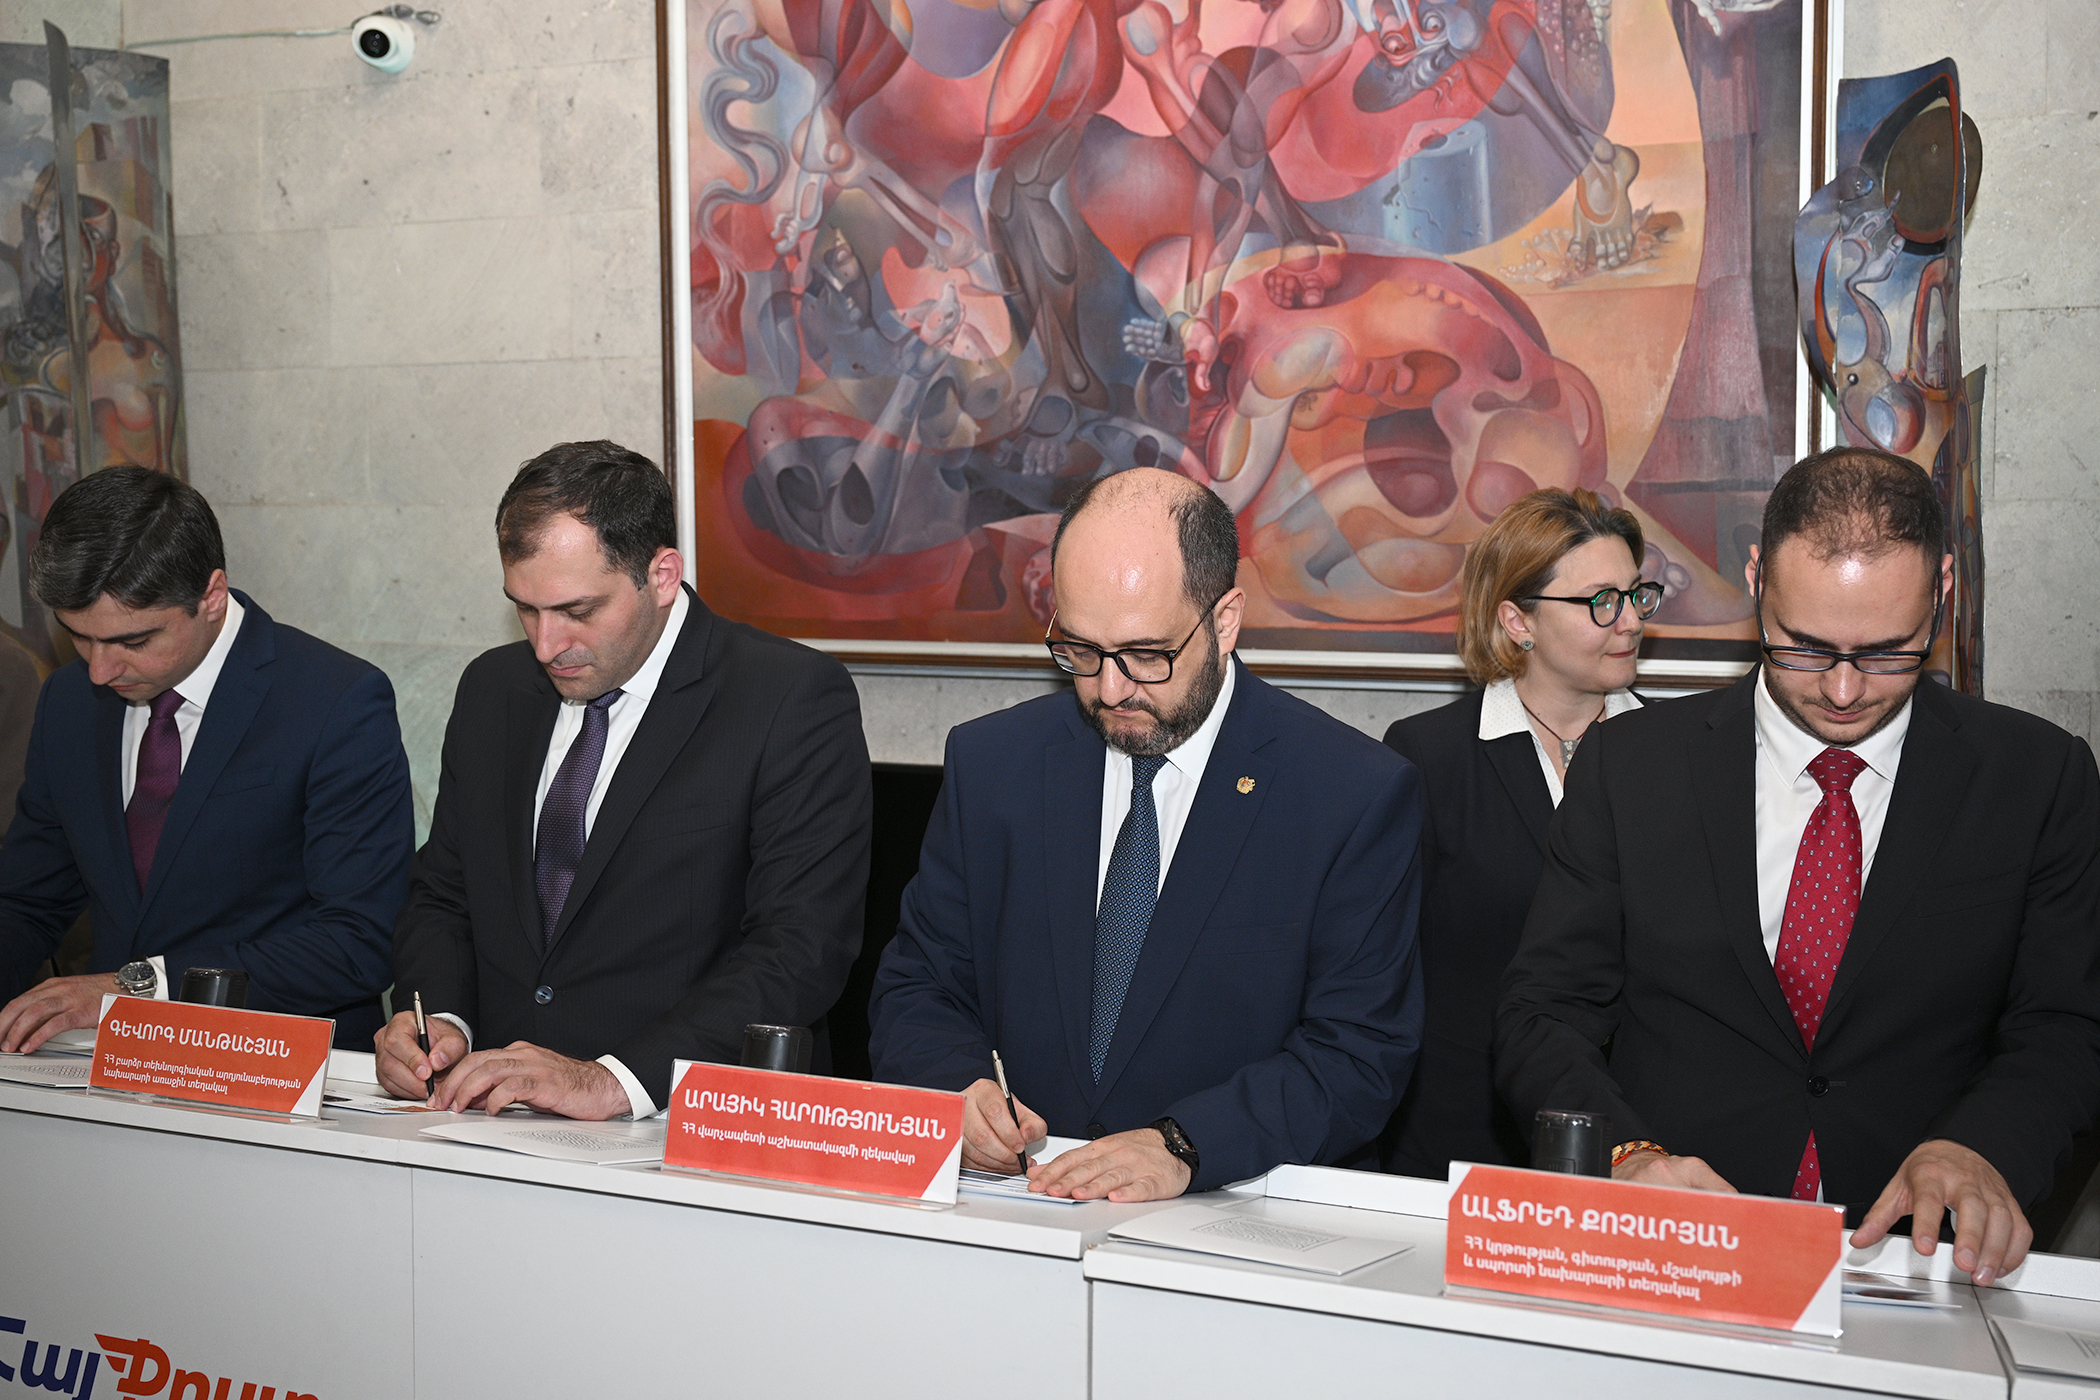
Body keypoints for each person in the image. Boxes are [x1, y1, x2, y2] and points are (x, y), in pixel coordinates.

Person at [1497, 446, 2100, 1286]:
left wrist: (1983, 1148)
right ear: (1756, 581)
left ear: (1942, 592)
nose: (1844, 691)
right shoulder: (1631, 765)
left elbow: (2066, 1025)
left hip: (1914, 1258)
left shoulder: (2036, 777)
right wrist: (1626, 1155)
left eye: (1888, 652)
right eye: (1805, 649)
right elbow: (1542, 1011)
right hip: (1679, 1248)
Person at [869, 468, 1423, 1201]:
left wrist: (1186, 1145)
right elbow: (920, 982)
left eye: (1146, 655)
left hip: (1234, 1216)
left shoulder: (1348, 792)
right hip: (1016, 1208)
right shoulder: (994, 764)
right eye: (1080, 650)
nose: (1110, 689)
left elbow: (1358, 1054)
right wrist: (955, 1087)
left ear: (1224, 621)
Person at [379, 441, 872, 1119]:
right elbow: (445, 892)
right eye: (525, 609)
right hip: (492, 1118)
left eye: (577, 611)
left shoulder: (787, 697)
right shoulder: (493, 688)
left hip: (683, 1123)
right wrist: (439, 1021)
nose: (547, 645)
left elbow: (799, 949)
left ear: (662, 575)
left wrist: (613, 1080)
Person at [0, 467, 411, 1050]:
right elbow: (26, 900)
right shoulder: (68, 701)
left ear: (211, 597)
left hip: (275, 1066)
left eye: (133, 641)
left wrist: (138, 989)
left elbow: (358, 942)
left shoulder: (334, 701)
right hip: (110, 1066)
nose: (99, 670)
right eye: (79, 637)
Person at [1380, 488, 1655, 1179]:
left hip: (1638, 1140)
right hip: (1460, 1139)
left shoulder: (1678, 755)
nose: (1629, 621)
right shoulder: (1428, 758)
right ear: (1517, 620)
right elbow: (1387, 974)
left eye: (1636, 595)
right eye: (1601, 602)